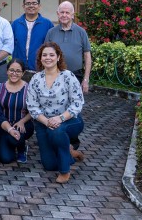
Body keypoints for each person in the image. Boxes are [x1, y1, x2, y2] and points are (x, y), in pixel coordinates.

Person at [26, 42, 85, 184]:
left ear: (58, 57)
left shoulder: (68, 76)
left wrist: (59, 118)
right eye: (44, 55)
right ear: (40, 59)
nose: (48, 58)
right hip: (43, 122)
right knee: (50, 165)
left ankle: (65, 171)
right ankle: (69, 151)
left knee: (57, 132)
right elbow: (32, 106)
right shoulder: (36, 79)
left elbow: (78, 102)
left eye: (52, 55)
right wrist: (47, 121)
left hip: (69, 120)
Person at [45, 1, 91, 93]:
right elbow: (45, 55)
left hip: (75, 75)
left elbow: (87, 56)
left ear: (72, 15)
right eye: (62, 12)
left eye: (67, 12)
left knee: (74, 104)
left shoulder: (81, 32)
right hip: (55, 74)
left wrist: (86, 79)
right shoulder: (51, 32)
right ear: (58, 14)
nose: (64, 15)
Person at [0, 59, 34, 164]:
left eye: (18, 71)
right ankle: (11, 146)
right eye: (11, 70)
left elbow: (34, 110)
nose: (14, 73)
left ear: (23, 73)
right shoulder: (0, 88)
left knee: (14, 139)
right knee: (5, 158)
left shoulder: (29, 89)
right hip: (5, 126)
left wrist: (22, 121)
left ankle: (21, 148)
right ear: (7, 71)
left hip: (22, 125)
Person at [11, 0, 54, 71]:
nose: (31, 6)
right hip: (19, 69)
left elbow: (52, 47)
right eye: (28, 3)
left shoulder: (47, 24)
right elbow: (10, 45)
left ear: (39, 6)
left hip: (40, 68)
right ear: (23, 6)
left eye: (34, 3)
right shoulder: (15, 24)